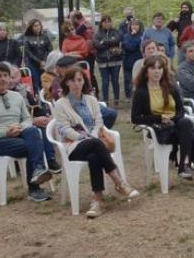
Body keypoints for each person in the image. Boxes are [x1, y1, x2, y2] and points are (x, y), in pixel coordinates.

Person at [52, 66, 141, 217]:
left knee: (94, 156)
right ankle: (119, 183)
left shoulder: (91, 100)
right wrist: (84, 137)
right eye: (72, 80)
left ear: (84, 81)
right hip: (73, 146)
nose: (76, 83)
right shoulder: (61, 104)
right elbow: (64, 129)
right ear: (66, 83)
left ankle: (97, 201)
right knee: (95, 144)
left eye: (79, 80)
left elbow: (99, 122)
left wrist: (91, 136)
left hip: (93, 143)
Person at [0, 62, 54, 202]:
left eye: (6, 76)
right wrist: (5, 132)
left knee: (33, 131)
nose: (3, 79)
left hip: (20, 135)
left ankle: (37, 174)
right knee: (34, 146)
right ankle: (35, 185)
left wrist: (20, 127)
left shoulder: (16, 96)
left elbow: (27, 119)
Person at [131, 55, 194, 187]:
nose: (157, 71)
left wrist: (173, 119)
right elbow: (135, 118)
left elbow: (181, 111)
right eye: (153, 68)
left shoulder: (170, 86)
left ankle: (184, 165)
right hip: (159, 129)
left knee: (185, 123)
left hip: (177, 125)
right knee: (191, 135)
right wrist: (159, 118)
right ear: (146, 71)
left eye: (160, 68)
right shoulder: (141, 91)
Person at [8, 63, 61, 174]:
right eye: (11, 77)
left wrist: (45, 116)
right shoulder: (5, 95)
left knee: (45, 125)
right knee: (38, 129)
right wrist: (33, 121)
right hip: (15, 126)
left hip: (28, 120)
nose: (13, 80)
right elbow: (10, 118)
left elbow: (35, 106)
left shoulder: (23, 90)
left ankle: (50, 159)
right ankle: (37, 163)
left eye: (16, 77)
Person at [92, 14, 123, 106]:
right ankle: (105, 101)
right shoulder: (97, 34)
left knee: (115, 80)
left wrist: (104, 42)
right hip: (102, 61)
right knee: (105, 81)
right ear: (101, 23)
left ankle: (116, 100)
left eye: (109, 21)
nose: (107, 23)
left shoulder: (115, 32)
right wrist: (110, 43)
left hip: (115, 60)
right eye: (105, 22)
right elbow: (96, 45)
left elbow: (117, 40)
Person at [121, 18, 144, 101]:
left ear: (140, 26)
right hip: (127, 61)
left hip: (138, 60)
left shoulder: (142, 36)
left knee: (139, 79)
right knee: (127, 79)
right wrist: (133, 39)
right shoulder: (126, 36)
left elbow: (139, 46)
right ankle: (128, 96)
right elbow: (126, 46)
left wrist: (133, 43)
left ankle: (138, 96)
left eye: (137, 25)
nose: (135, 27)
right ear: (130, 26)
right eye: (133, 25)